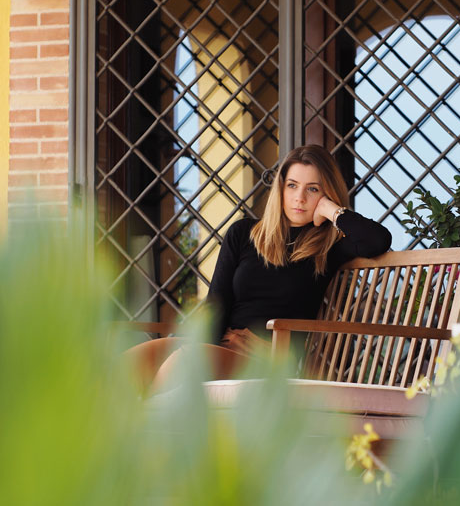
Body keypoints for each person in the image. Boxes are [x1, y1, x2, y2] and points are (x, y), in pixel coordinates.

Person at [125, 145, 392, 393]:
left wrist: (330, 210)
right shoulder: (244, 233)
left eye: (312, 189)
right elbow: (216, 303)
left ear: (327, 193)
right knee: (126, 366)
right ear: (280, 189)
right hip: (221, 344)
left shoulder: (329, 248)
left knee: (182, 365)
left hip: (266, 357)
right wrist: (193, 341)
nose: (299, 198)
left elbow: (377, 241)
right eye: (292, 186)